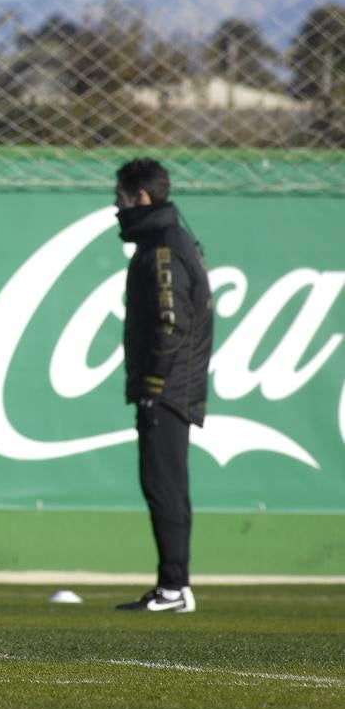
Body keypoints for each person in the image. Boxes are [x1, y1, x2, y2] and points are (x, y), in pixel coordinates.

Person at [112, 158, 212, 614]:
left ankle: (174, 587)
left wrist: (153, 383)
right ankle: (175, 584)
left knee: (164, 485)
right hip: (173, 386)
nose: (117, 207)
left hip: (168, 389)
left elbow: (172, 324)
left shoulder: (165, 249)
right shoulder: (166, 242)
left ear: (142, 197)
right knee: (166, 484)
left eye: (121, 197)